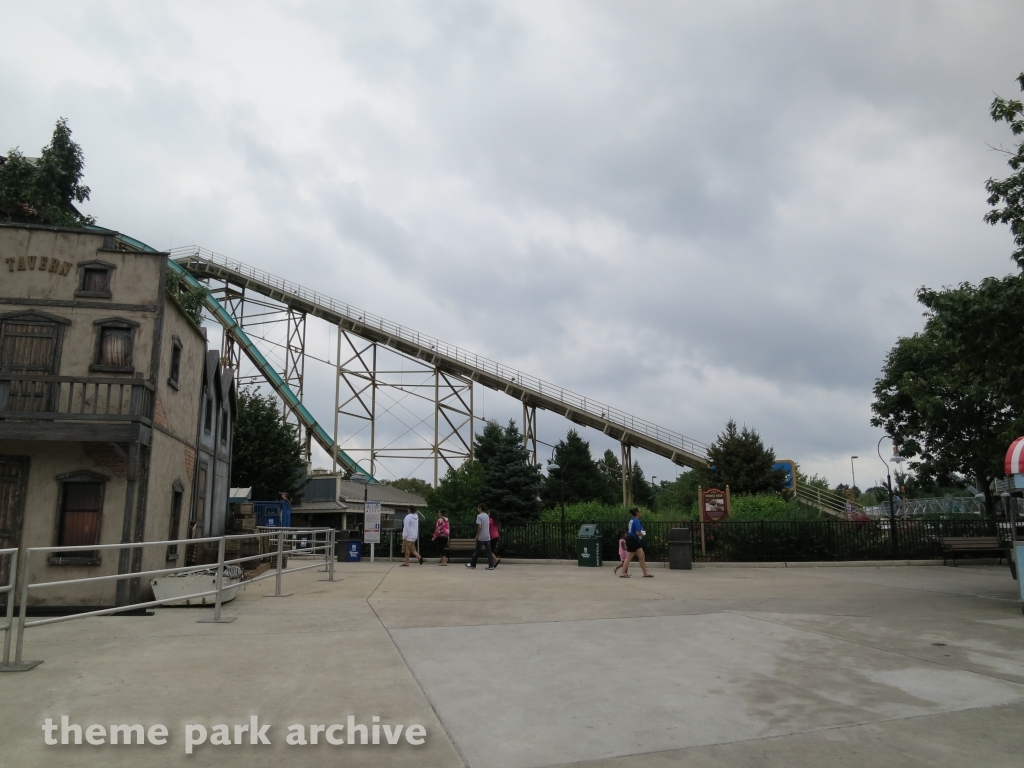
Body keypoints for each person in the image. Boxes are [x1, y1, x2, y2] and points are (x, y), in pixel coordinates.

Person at [620, 508, 652, 578]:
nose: (641, 513)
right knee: (629, 558)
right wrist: (643, 534)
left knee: (642, 556)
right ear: (637, 513)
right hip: (633, 540)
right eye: (640, 511)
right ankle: (622, 573)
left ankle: (645, 573)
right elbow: (637, 532)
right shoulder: (636, 521)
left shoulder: (632, 520)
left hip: (632, 540)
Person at [466, 504, 497, 570]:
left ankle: (473, 564)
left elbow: (479, 526)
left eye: (478, 508)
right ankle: (491, 565)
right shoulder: (487, 516)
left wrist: (477, 535)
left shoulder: (479, 516)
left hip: (481, 537)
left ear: (480, 508)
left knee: (477, 551)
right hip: (487, 536)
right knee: (489, 552)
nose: (477, 509)